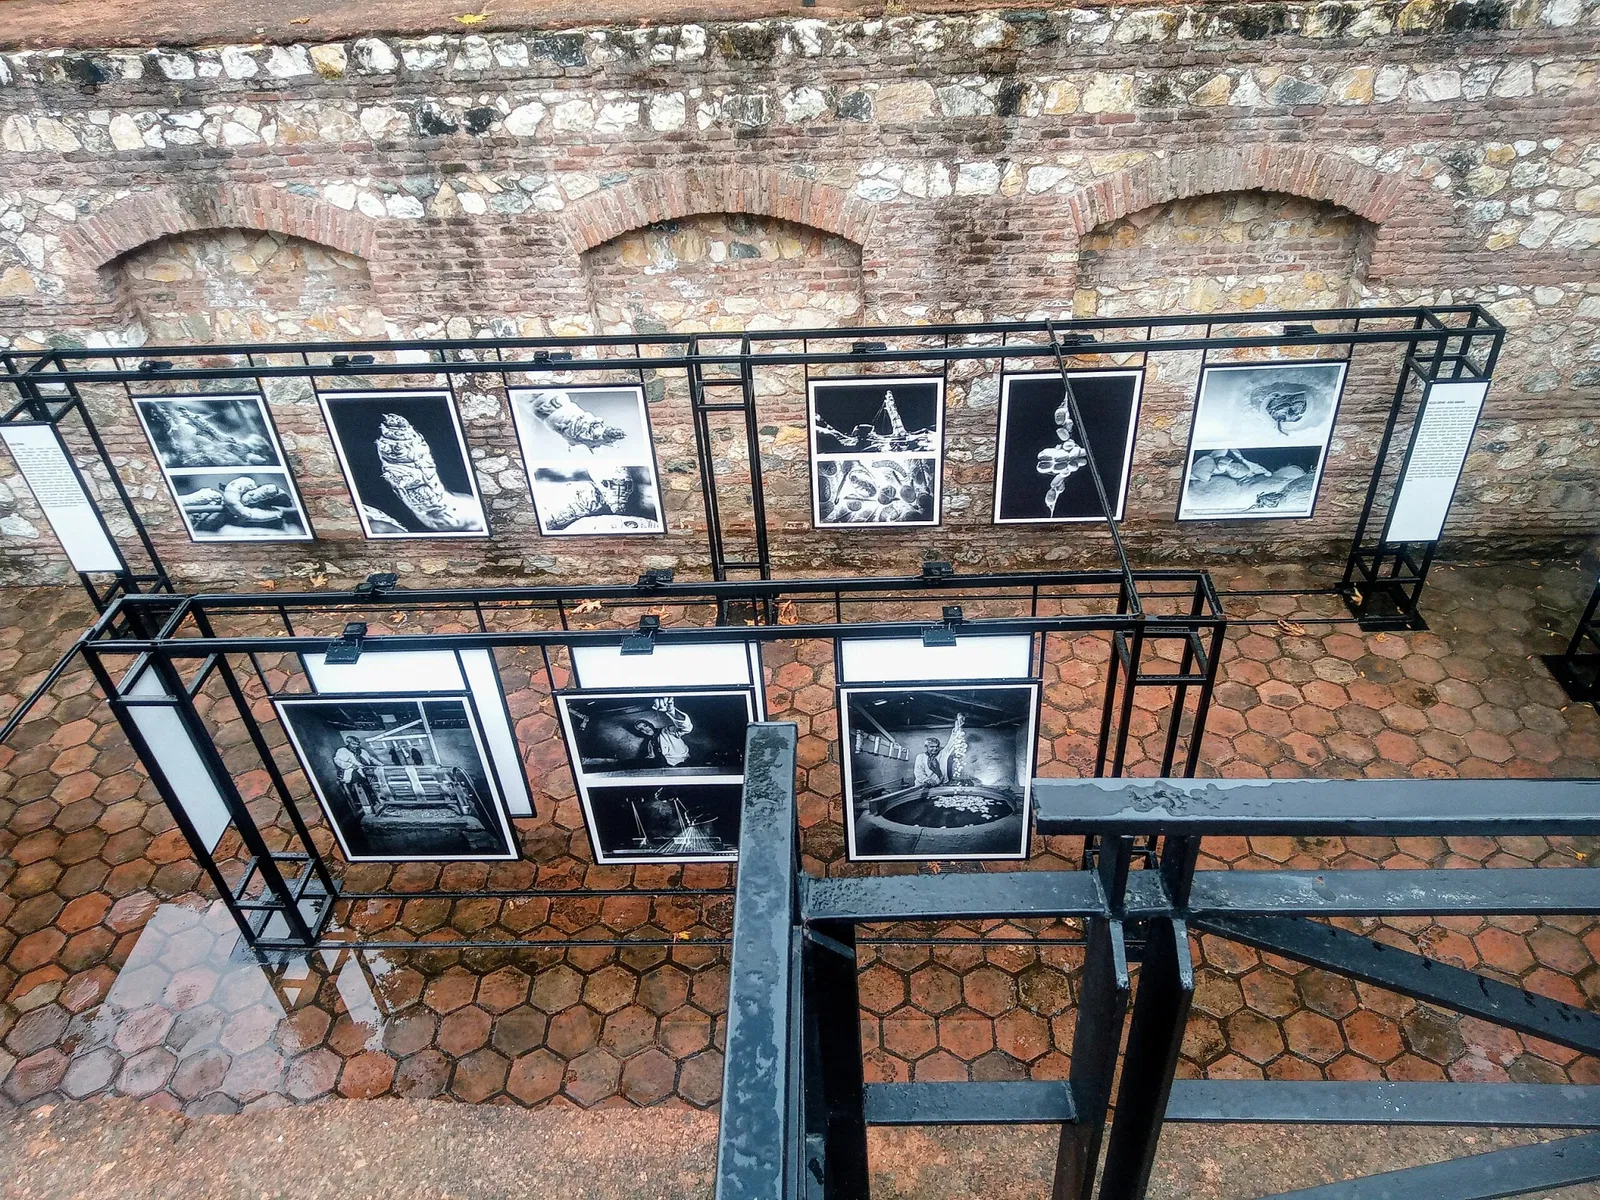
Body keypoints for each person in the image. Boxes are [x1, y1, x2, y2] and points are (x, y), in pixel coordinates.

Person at [627, 697, 694, 767]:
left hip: (683, 764)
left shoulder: (668, 731)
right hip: (665, 768)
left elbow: (686, 727)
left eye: (645, 726)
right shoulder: (650, 742)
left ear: (651, 725)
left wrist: (672, 712)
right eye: (641, 729)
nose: (645, 729)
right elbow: (652, 757)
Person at [333, 735, 382, 817]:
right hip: (352, 771)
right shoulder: (342, 751)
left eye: (357, 744)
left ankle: (376, 799)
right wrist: (350, 765)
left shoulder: (362, 751)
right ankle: (367, 803)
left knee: (375, 779)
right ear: (348, 743)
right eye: (354, 744)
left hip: (365, 770)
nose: (356, 746)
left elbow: (371, 759)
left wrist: (380, 764)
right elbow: (337, 761)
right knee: (360, 782)